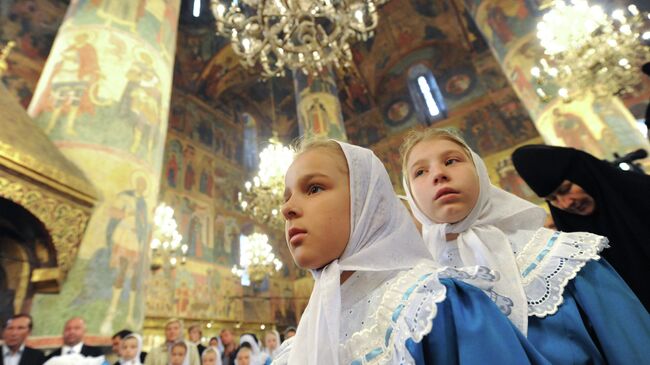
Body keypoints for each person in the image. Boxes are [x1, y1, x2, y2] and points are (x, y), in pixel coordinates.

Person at [274, 138, 549, 364]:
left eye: (313, 188)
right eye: (286, 197)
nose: (287, 209)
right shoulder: (291, 353)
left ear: (367, 203)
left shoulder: (432, 306)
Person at [401, 129, 650, 364]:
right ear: (409, 193)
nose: (438, 174)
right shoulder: (410, 299)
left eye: (451, 161)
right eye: (419, 172)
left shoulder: (562, 259)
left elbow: (634, 347)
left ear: (479, 171)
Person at [512, 144, 650, 310]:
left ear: (584, 173)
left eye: (565, 189)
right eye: (552, 199)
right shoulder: (574, 240)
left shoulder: (643, 193)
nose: (566, 203)